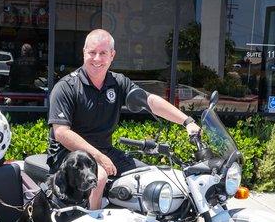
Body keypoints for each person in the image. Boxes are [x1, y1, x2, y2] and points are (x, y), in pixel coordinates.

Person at [47, 29, 201, 210]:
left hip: (104, 150)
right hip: (70, 155)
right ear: (84, 52)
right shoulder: (67, 87)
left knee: (147, 175)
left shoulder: (117, 82)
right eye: (92, 52)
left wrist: (187, 121)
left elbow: (150, 101)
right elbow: (61, 133)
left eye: (103, 53)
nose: (97, 59)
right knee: (101, 175)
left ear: (112, 55)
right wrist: (98, 157)